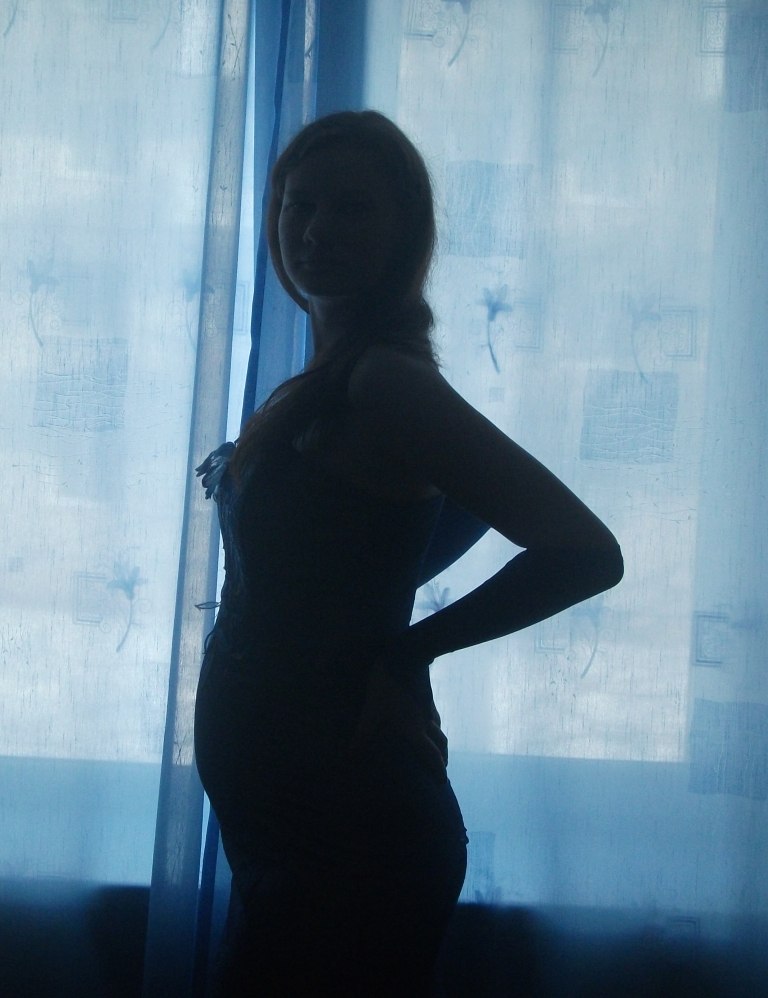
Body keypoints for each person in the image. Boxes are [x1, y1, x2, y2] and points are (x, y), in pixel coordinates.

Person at [194, 110, 623, 996]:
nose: (316, 229)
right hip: (292, 817)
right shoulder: (333, 378)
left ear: (405, 233)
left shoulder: (384, 381)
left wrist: (406, 650)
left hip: (346, 829)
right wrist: (369, 601)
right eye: (298, 204)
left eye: (352, 207)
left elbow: (583, 551)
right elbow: (386, 536)